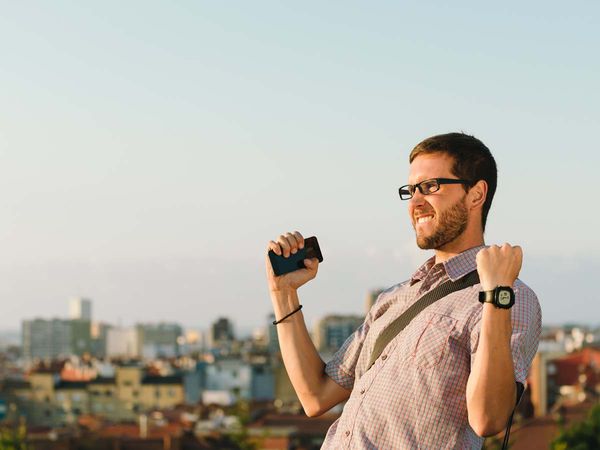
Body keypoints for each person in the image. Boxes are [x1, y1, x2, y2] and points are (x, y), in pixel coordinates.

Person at [265, 132, 541, 449]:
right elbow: (316, 395)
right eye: (410, 190)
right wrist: (283, 293)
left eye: (430, 187)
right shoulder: (394, 297)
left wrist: (496, 295)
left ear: (476, 194)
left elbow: (488, 418)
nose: (416, 202)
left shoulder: (509, 298)